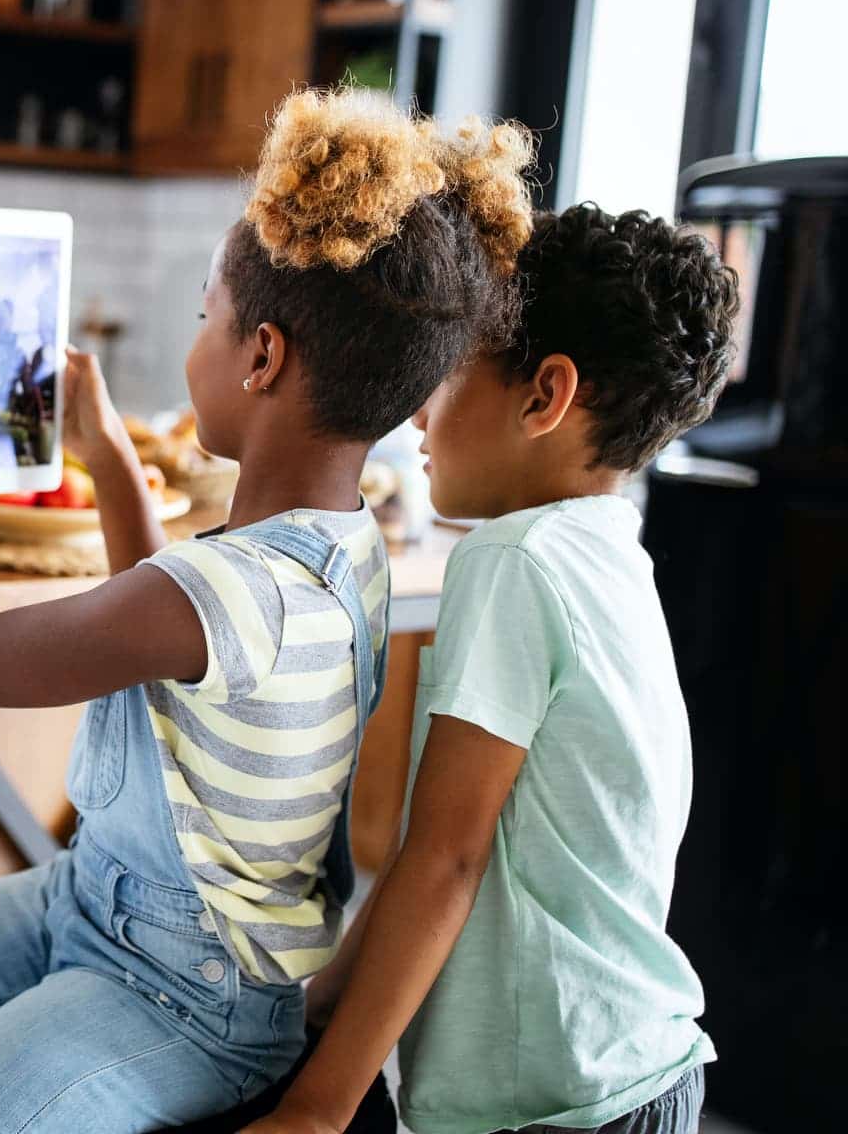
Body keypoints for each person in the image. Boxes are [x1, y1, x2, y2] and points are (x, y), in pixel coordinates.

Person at [0, 90, 535, 1133]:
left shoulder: (234, 589)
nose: (197, 339)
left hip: (188, 999)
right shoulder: (342, 543)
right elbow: (175, 640)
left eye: (204, 316)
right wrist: (102, 452)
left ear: (262, 357)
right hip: (90, 903)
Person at [241, 205, 737, 1134]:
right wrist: (318, 1005)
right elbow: (448, 840)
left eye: (452, 365)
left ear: (544, 395)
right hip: (637, 1073)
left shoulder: (515, 561)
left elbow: (446, 859)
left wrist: (315, 1109)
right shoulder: (608, 551)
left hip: (554, 1105)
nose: (420, 408)